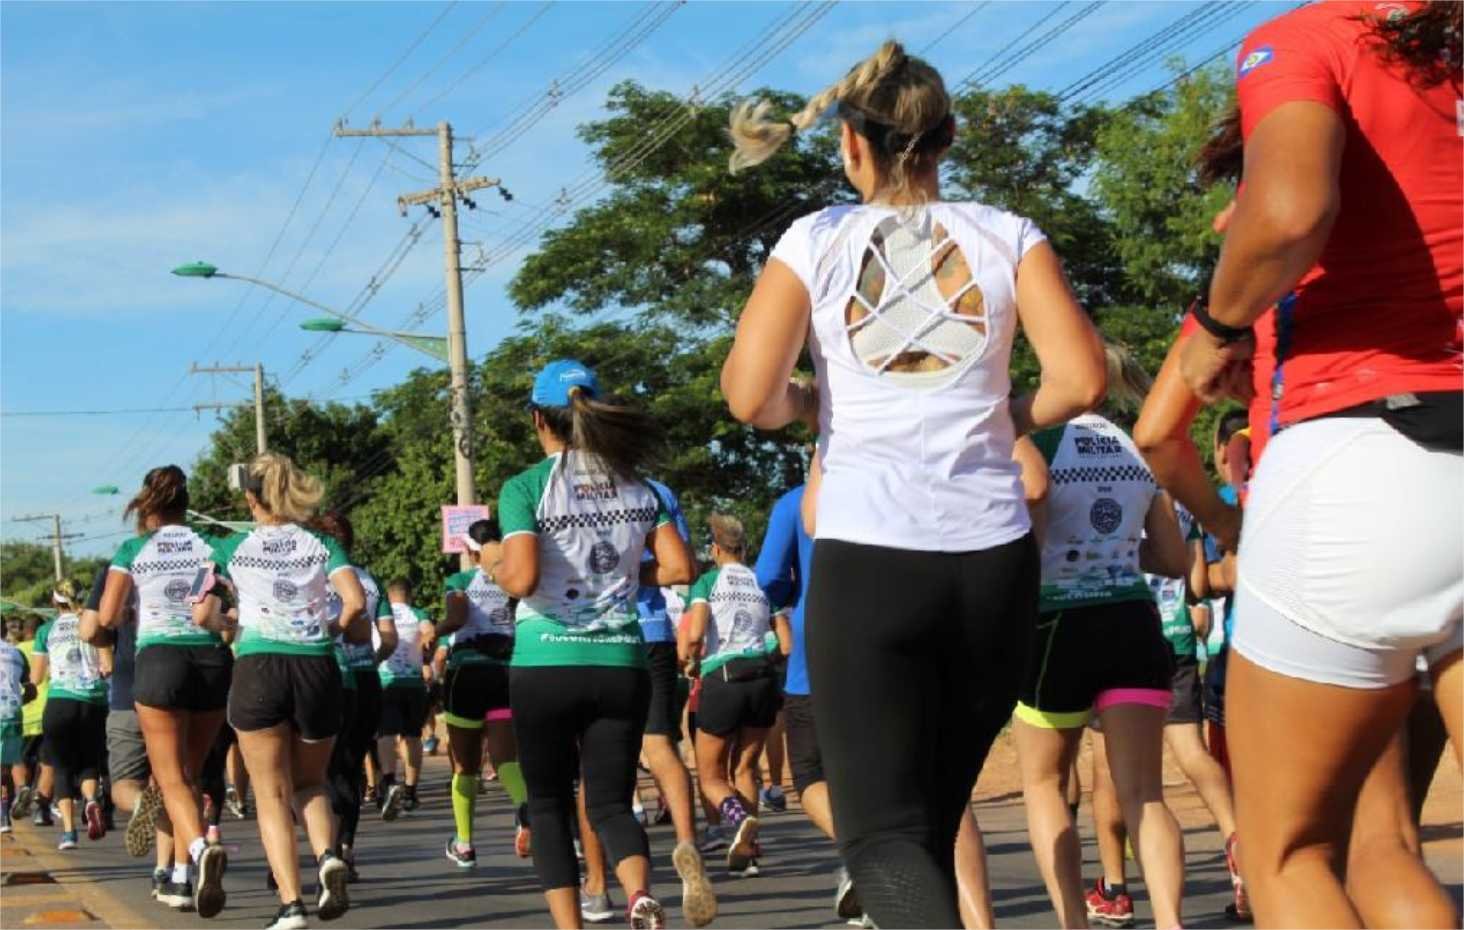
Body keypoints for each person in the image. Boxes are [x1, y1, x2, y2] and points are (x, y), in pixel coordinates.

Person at [720, 39, 1105, 927]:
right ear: (948, 138)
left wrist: (814, 402)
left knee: (882, 836)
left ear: (851, 145)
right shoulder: (1009, 235)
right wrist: (1006, 414)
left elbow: (750, 396)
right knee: (925, 821)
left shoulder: (813, 239)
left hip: (871, 560)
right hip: (994, 569)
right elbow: (1081, 382)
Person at [1175, 4, 1462, 926]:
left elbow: (1292, 209)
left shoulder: (1309, 36)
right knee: (1390, 848)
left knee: (1292, 848)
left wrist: (1216, 327)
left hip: (1364, 458)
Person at [495, 358, 694, 929]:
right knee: (610, 800)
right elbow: (679, 568)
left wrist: (493, 565)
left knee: (552, 803)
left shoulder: (526, 486)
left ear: (539, 419)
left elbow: (524, 579)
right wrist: (629, 578)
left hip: (545, 664)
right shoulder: (640, 484)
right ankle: (638, 896)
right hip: (620, 663)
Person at [1011, 348, 1190, 929]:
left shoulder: (1035, 446)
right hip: (1134, 623)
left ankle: (1072, 922)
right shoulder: (1141, 448)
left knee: (1043, 785)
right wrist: (1111, 554)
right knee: (1145, 793)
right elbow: (1173, 558)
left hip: (1056, 624)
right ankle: (1169, 921)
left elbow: (1026, 540)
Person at [198, 452, 368, 930]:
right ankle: (328, 857)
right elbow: (354, 603)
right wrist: (330, 627)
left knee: (271, 792)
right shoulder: (322, 543)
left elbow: (202, 613)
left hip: (258, 667)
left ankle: (291, 905)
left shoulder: (231, 547)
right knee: (311, 782)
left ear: (250, 497)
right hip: (316, 666)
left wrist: (229, 625)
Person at [90, 465, 233, 916]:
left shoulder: (134, 548)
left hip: (158, 661)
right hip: (211, 661)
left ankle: (197, 850)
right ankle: (178, 880)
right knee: (187, 775)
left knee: (169, 779)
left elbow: (108, 617)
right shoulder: (210, 545)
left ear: (148, 506)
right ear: (186, 506)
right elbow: (215, 603)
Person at [618, 478, 715, 927]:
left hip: (597, 637)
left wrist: (611, 573)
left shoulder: (563, 481)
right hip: (654, 629)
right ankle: (686, 844)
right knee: (660, 746)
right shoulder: (657, 491)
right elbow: (683, 566)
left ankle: (603, 887)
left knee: (598, 762)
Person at [682, 513, 791, 877]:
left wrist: (690, 663)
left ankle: (737, 817)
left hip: (723, 676)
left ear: (714, 549)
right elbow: (785, 643)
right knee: (746, 768)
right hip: (762, 678)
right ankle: (749, 853)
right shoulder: (763, 582)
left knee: (710, 774)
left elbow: (695, 633)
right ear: (744, 548)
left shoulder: (707, 581)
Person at [78, 560, 178, 905]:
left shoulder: (119, 564)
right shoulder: (197, 554)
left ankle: (137, 805)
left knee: (125, 782)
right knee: (173, 786)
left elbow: (90, 630)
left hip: (129, 690)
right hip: (181, 690)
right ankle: (171, 873)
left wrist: (112, 640)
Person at [438, 518, 531, 869]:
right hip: (506, 672)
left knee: (465, 765)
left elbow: (458, 616)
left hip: (467, 673)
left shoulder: (460, 580)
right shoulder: (515, 580)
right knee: (507, 759)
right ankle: (525, 811)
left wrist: (438, 628)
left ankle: (464, 844)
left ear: (469, 551)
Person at [313, 510, 390, 882]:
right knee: (350, 766)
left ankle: (324, 851)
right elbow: (387, 638)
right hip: (367, 682)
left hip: (324, 677)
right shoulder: (369, 581)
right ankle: (347, 849)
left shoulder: (312, 573)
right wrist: (370, 660)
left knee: (316, 772)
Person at [33, 580, 110, 851]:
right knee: (89, 761)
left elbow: (36, 677)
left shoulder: (45, 630)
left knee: (62, 767)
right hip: (94, 701)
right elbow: (107, 665)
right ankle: (90, 800)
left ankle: (68, 832)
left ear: (55, 603)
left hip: (60, 702)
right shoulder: (95, 623)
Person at [377, 579, 432, 821]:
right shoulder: (418, 613)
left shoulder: (383, 614)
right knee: (412, 737)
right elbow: (429, 631)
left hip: (386, 681)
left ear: (389, 596)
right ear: (409, 596)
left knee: (386, 734)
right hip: (413, 683)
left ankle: (389, 782)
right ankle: (410, 792)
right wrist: (425, 651)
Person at [13, 613, 51, 827]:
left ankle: (23, 790)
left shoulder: (16, 651)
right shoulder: (48, 648)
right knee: (48, 763)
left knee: (19, 759)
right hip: (48, 710)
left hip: (25, 714)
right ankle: (42, 810)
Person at [0, 630, 37, 833]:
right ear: (5, 631)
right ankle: (22, 787)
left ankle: (3, 816)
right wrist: (18, 701)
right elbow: (31, 689)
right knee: (10, 760)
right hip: (13, 712)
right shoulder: (16, 653)